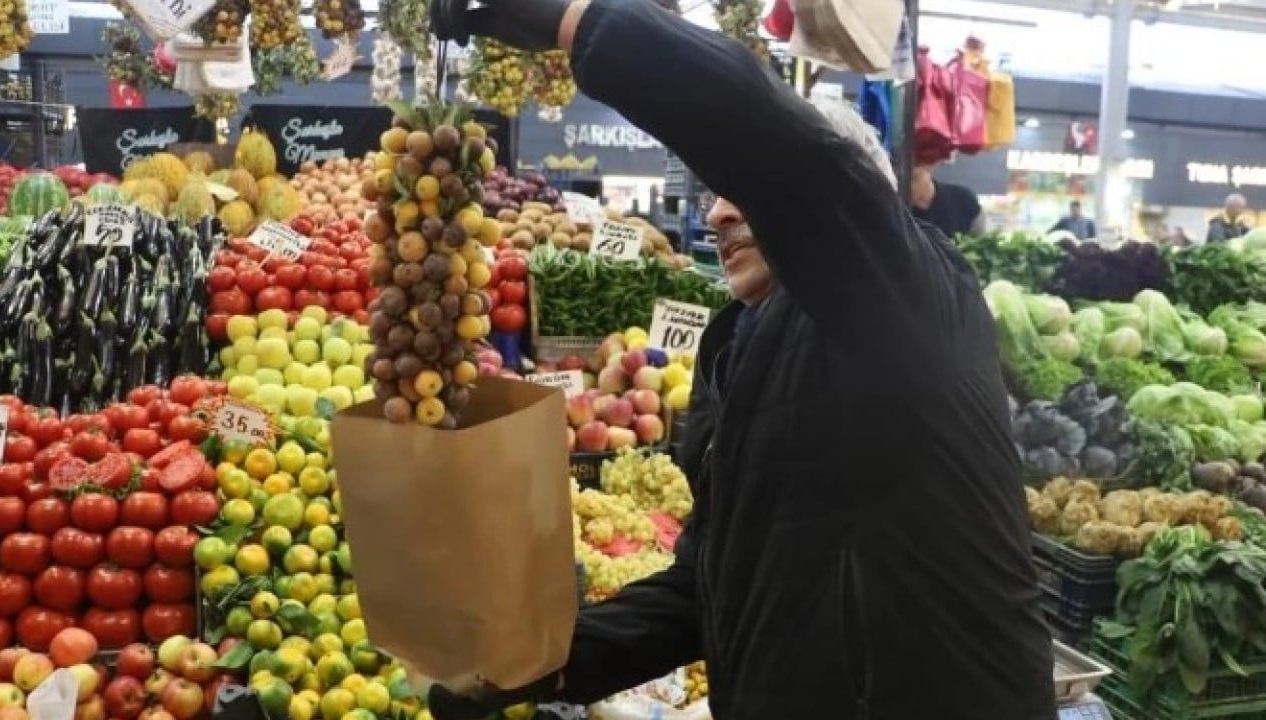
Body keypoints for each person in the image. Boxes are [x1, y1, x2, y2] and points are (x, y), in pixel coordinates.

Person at [427, 1, 1056, 718]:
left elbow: (784, 153)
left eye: (746, 195)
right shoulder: (742, 351)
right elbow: (712, 584)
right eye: (716, 197)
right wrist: (544, 662)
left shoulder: (912, 304)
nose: (718, 215)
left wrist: (581, 21)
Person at [910, 163, 985, 238]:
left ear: (930, 169)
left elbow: (980, 243)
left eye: (914, 178)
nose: (908, 185)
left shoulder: (963, 199)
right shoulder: (900, 211)